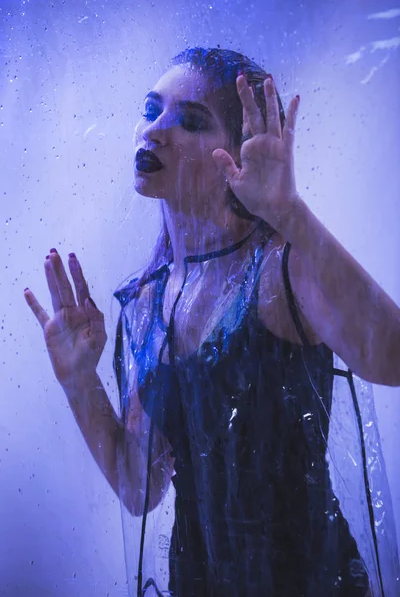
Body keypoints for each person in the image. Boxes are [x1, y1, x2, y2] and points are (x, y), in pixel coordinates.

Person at [24, 47, 400, 596]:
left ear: (236, 154)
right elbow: (140, 486)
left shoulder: (278, 270)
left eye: (191, 121)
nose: (155, 130)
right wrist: (79, 381)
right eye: (151, 109)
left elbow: (392, 357)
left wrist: (288, 211)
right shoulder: (146, 306)